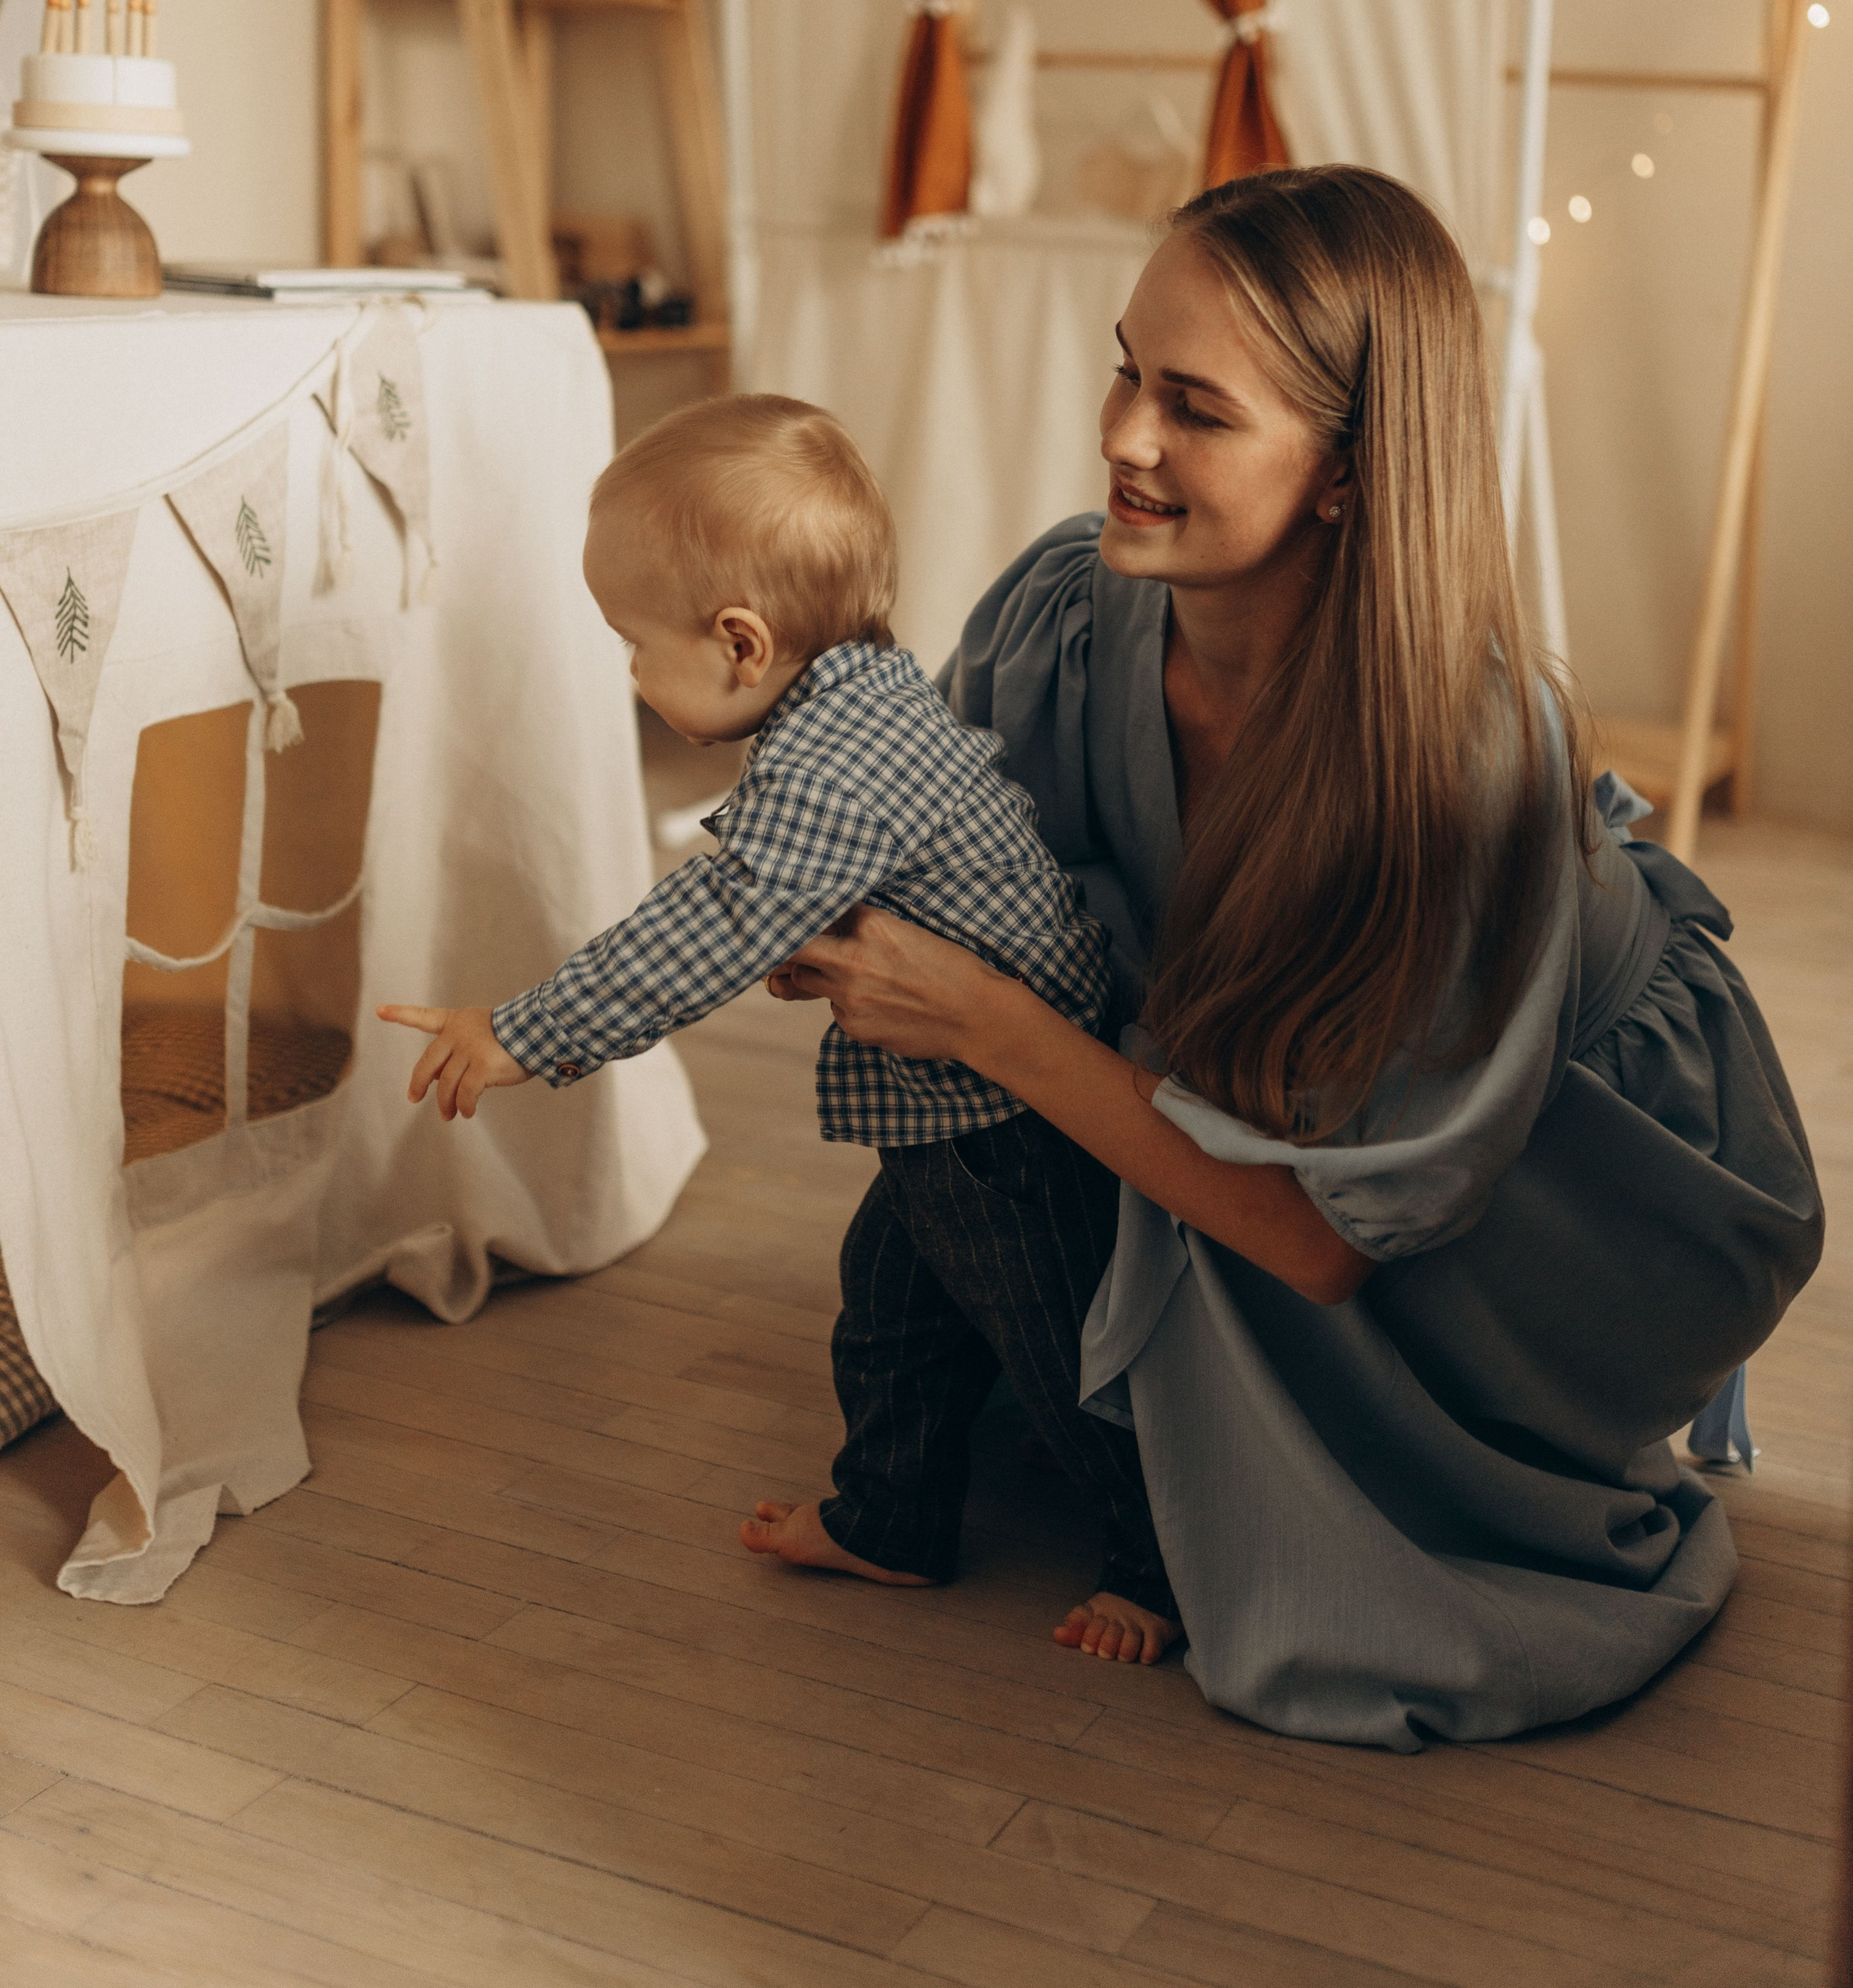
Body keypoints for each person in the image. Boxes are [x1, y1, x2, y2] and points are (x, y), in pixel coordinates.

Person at [767, 166, 1824, 1747]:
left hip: (1578, 1176)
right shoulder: (1068, 613)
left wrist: (984, 1019)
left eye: (1195, 408)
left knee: (1292, 1471)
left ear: (1346, 473)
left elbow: (1332, 1242)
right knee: (952, 1151)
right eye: (1128, 370)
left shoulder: (1459, 770)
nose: (1125, 436)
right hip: (1280, 1087)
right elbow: (947, 859)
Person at [379, 392, 1178, 1649]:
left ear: (742, 644)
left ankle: (1161, 1565)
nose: (630, 674)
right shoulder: (861, 689)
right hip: (950, 1116)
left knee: (1061, 1344)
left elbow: (703, 927)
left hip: (1010, 1126)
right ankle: (892, 1521)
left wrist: (521, 1032)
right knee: (891, 1309)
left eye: (634, 645)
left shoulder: (829, 767)